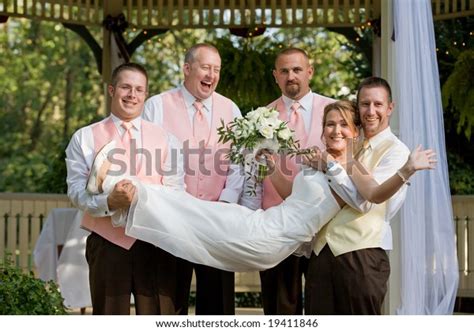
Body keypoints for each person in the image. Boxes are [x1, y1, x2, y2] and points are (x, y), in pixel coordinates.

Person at [86, 101, 435, 276]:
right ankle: (121, 194)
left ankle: (117, 184)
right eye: (329, 124)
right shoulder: (319, 162)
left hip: (270, 237)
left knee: (195, 213)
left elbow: (372, 196)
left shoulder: (350, 166)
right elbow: (290, 196)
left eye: (343, 125)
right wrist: (270, 166)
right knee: (193, 215)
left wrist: (407, 169)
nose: (335, 131)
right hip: (269, 224)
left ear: (354, 132)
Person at [65, 63, 185, 314]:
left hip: (155, 242)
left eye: (139, 89)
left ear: (145, 95)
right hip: (107, 245)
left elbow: (176, 191)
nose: (132, 95)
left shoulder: (167, 139)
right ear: (111, 90)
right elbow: (76, 192)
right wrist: (109, 203)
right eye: (126, 87)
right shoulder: (84, 137)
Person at [142, 43, 243, 315]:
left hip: (216, 218)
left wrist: (226, 203)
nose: (212, 74)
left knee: (218, 302)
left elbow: (239, 163)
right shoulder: (156, 106)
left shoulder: (231, 109)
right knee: (168, 299)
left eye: (217, 69)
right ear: (187, 69)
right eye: (206, 67)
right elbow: (146, 161)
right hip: (172, 218)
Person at [304, 77, 414, 315]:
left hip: (363, 257)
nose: (371, 111)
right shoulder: (347, 141)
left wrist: (330, 165)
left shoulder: (397, 152)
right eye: (365, 104)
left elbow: (364, 201)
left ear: (390, 108)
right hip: (322, 253)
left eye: (378, 104)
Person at [259, 47, 335, 315]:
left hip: (324, 226)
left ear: (310, 72)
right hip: (277, 225)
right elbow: (251, 172)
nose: (291, 76)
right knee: (280, 309)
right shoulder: (261, 116)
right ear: (275, 76)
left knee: (323, 308)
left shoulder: (335, 112)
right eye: (284, 71)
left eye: (297, 69)